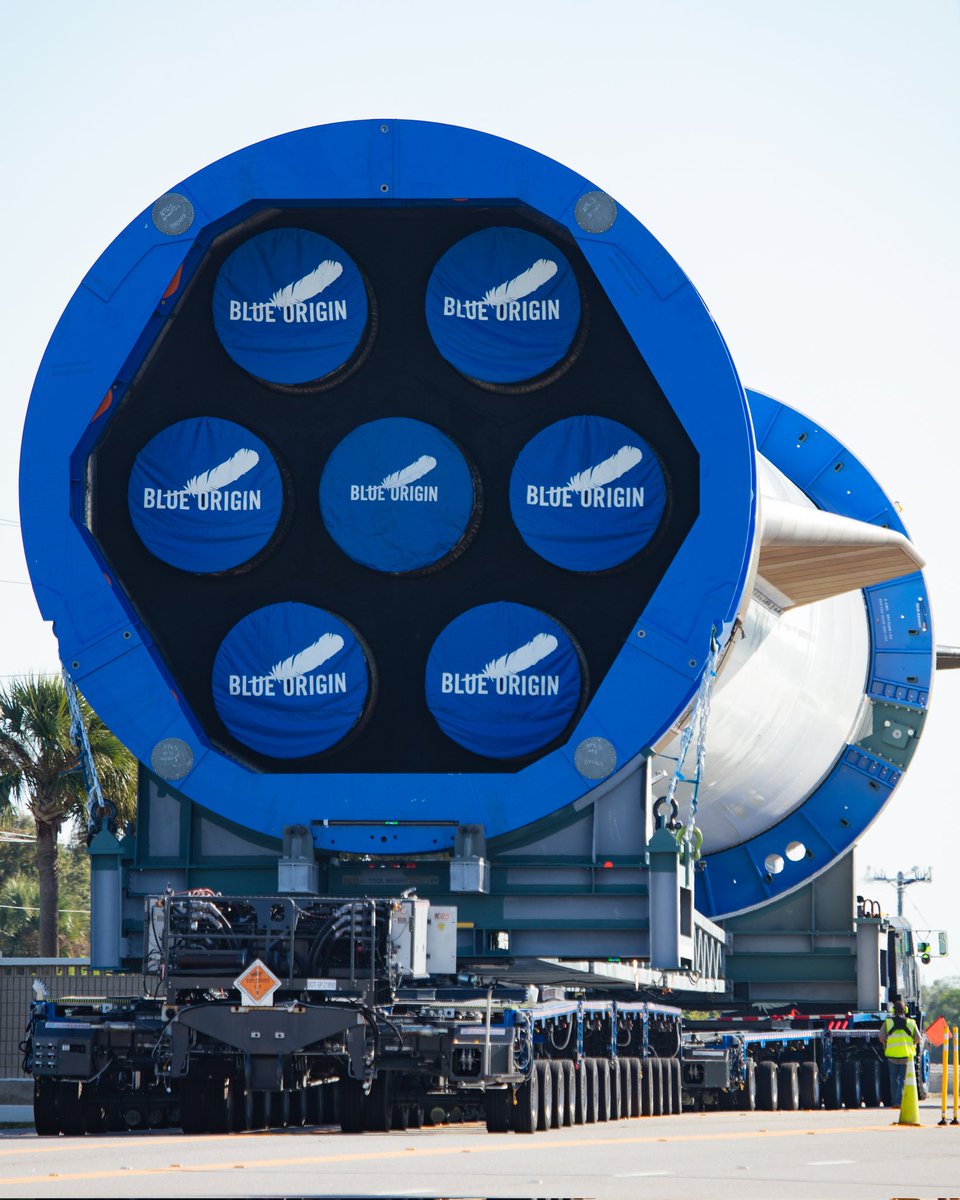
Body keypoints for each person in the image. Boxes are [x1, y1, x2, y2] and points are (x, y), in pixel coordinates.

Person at [878, 999, 922, 1105]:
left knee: (893, 1081)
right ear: (905, 1010)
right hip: (906, 1056)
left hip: (892, 1056)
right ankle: (899, 1102)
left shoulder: (888, 1022)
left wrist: (886, 1044)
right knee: (903, 1080)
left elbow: (881, 1037)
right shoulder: (911, 1023)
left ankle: (895, 1102)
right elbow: (918, 1038)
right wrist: (912, 1044)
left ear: (893, 1010)